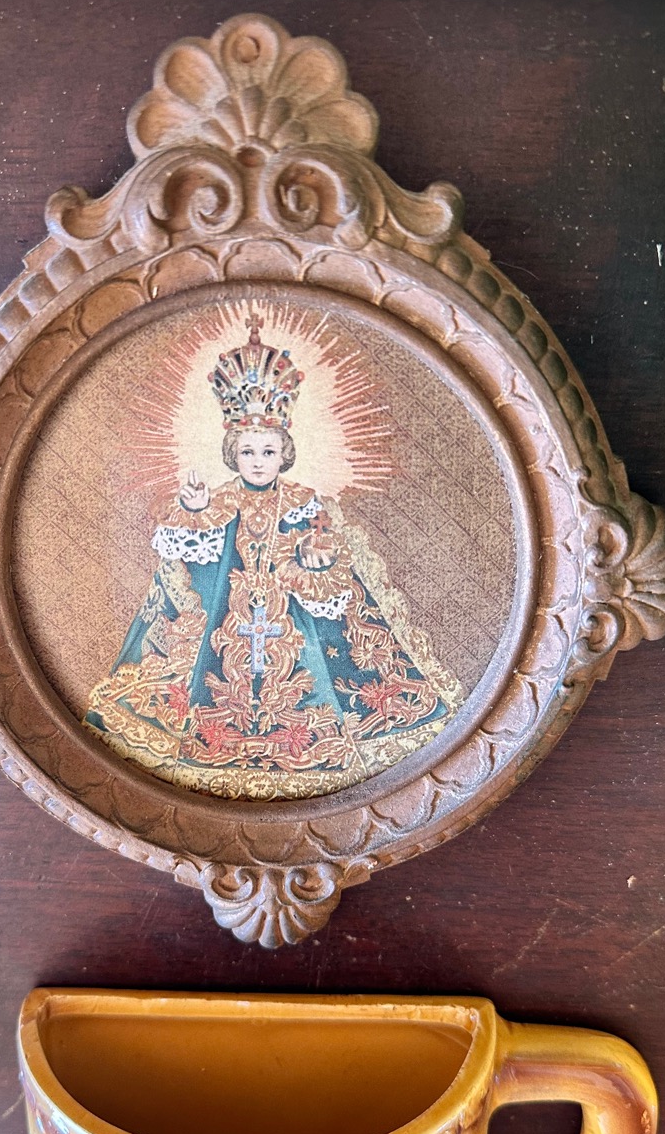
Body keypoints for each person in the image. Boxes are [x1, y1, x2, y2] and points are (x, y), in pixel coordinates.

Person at [85, 316, 464, 798]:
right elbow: (193, 563)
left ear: (284, 453)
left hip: (295, 630)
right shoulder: (219, 500)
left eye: (267, 451)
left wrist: (316, 563)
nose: (258, 461)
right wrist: (195, 512)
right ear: (233, 454)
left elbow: (332, 567)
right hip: (224, 631)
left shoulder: (305, 503)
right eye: (248, 452)